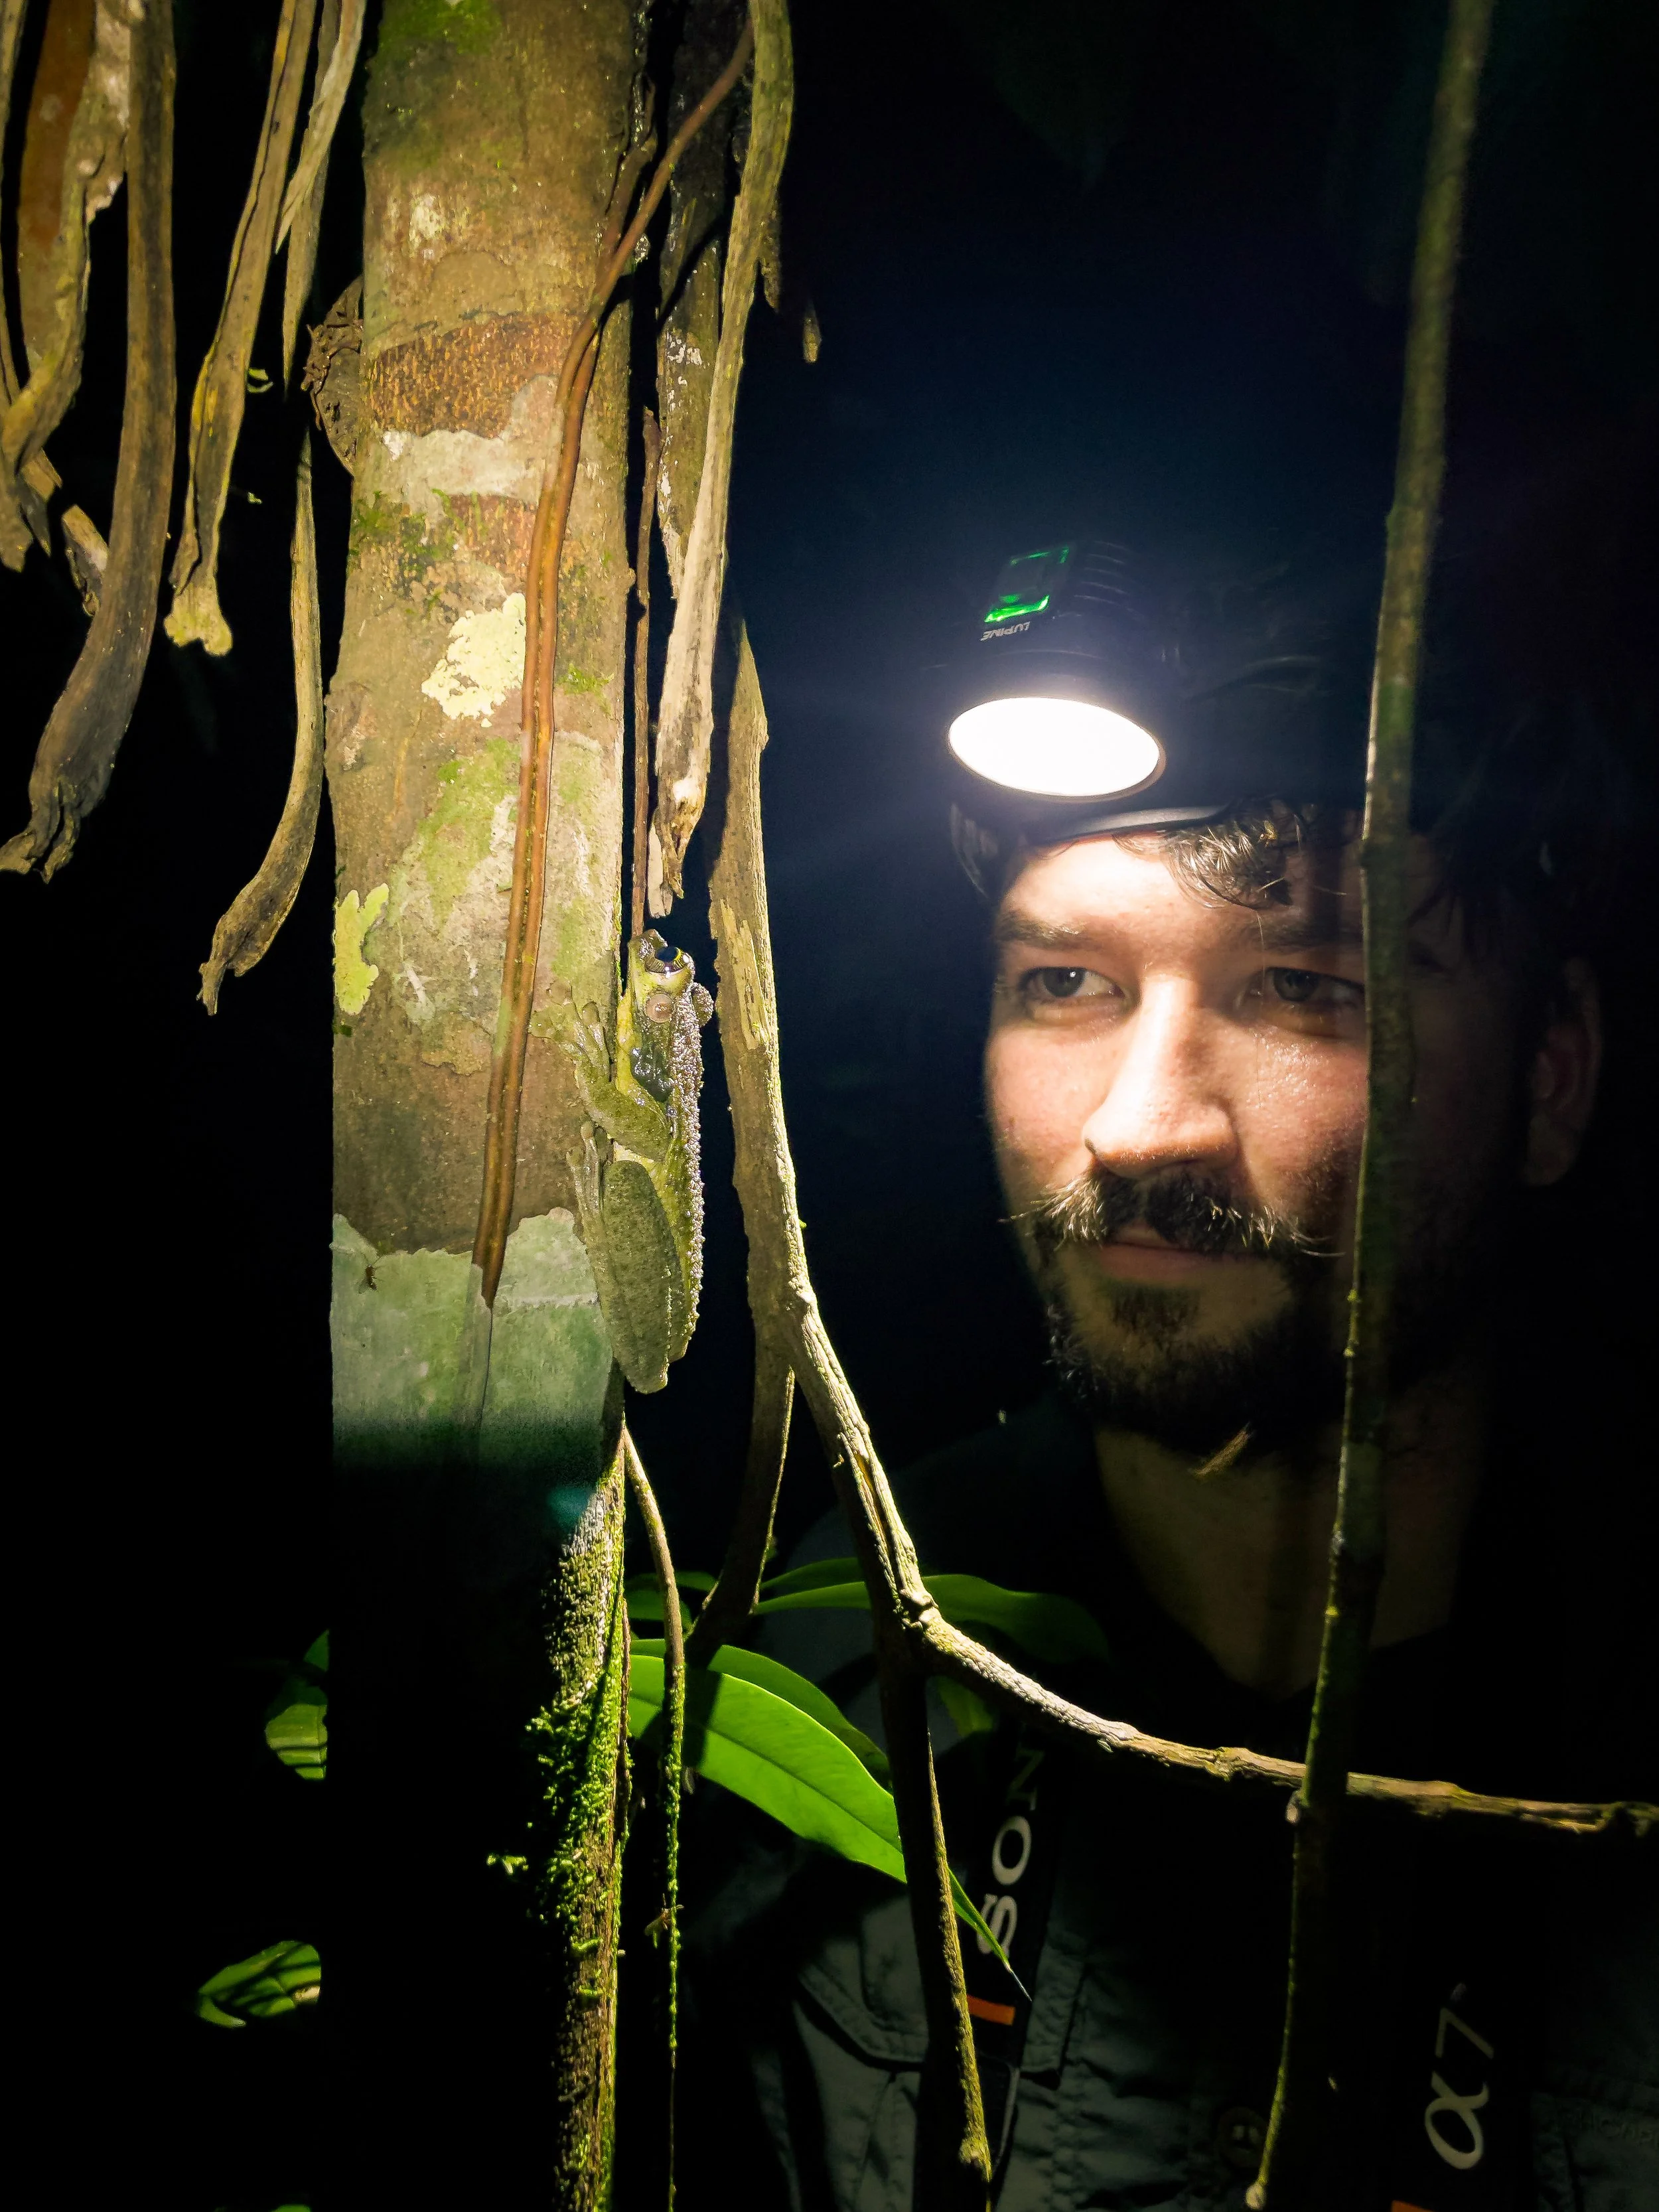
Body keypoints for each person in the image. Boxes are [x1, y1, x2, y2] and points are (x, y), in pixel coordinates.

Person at [677, 547, 1655, 2212]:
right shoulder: (804, 1685)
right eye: (1064, 982)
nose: (1135, 1128)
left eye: (1306, 990)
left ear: (1551, 1074)